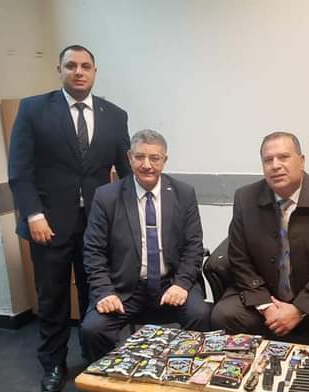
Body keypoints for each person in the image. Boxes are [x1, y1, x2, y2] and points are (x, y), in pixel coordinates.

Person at [8, 45, 131, 392]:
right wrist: (33, 214)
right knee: (53, 297)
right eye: (71, 65)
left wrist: (126, 220)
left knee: (96, 294)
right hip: (47, 224)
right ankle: (53, 364)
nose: (79, 71)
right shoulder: (33, 109)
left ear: (95, 72)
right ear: (59, 69)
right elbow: (19, 169)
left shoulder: (115, 115)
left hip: (97, 225)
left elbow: (125, 173)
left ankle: (95, 359)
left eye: (86, 66)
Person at [211, 132, 309, 348]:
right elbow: (239, 258)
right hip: (266, 292)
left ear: (301, 161)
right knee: (225, 315)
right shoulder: (245, 198)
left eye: (283, 157)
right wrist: (266, 306)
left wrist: (299, 308)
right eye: (268, 160)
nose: (275, 165)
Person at [81, 129, 211, 366]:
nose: (147, 165)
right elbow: (93, 251)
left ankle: (186, 374)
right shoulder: (107, 196)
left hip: (170, 282)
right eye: (140, 157)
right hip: (124, 286)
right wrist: (105, 291)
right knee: (93, 329)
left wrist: (182, 284)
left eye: (154, 158)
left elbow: (194, 246)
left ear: (165, 160)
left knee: (200, 315)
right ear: (129, 157)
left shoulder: (183, 193)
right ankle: (107, 380)